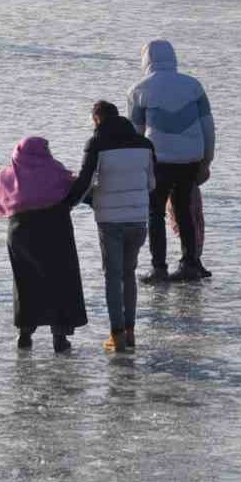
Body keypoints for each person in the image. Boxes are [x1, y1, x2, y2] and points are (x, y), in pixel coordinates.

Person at [66, 101, 155, 353]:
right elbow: (151, 183)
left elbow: (84, 181)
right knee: (129, 275)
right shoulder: (145, 144)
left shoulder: (96, 143)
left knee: (113, 277)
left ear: (97, 119)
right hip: (138, 219)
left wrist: (67, 205)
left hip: (109, 220)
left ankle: (116, 336)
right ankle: (130, 332)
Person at [0, 137, 89, 353]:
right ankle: (59, 337)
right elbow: (71, 187)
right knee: (60, 281)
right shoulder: (54, 170)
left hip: (20, 232)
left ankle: (24, 334)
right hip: (55, 229)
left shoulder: (7, 175)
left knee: (25, 282)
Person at [127, 39, 215, 283]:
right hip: (190, 160)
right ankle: (189, 264)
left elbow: (135, 133)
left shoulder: (139, 89)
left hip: (159, 161)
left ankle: (159, 268)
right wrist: (206, 162)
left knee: (155, 213)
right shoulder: (194, 86)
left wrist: (136, 168)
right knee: (184, 210)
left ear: (147, 59)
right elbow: (208, 128)